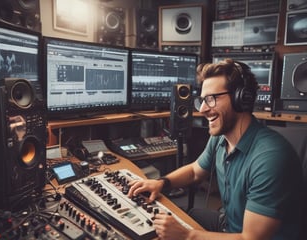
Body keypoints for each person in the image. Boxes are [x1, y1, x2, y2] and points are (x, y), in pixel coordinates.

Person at [128, 58, 303, 240]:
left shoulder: (271, 158)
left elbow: (250, 238)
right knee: (181, 216)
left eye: (211, 99)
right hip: (230, 226)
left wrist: (188, 236)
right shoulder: (220, 137)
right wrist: (161, 183)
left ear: (240, 98)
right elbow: (196, 171)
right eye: (202, 100)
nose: (202, 109)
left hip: (246, 236)